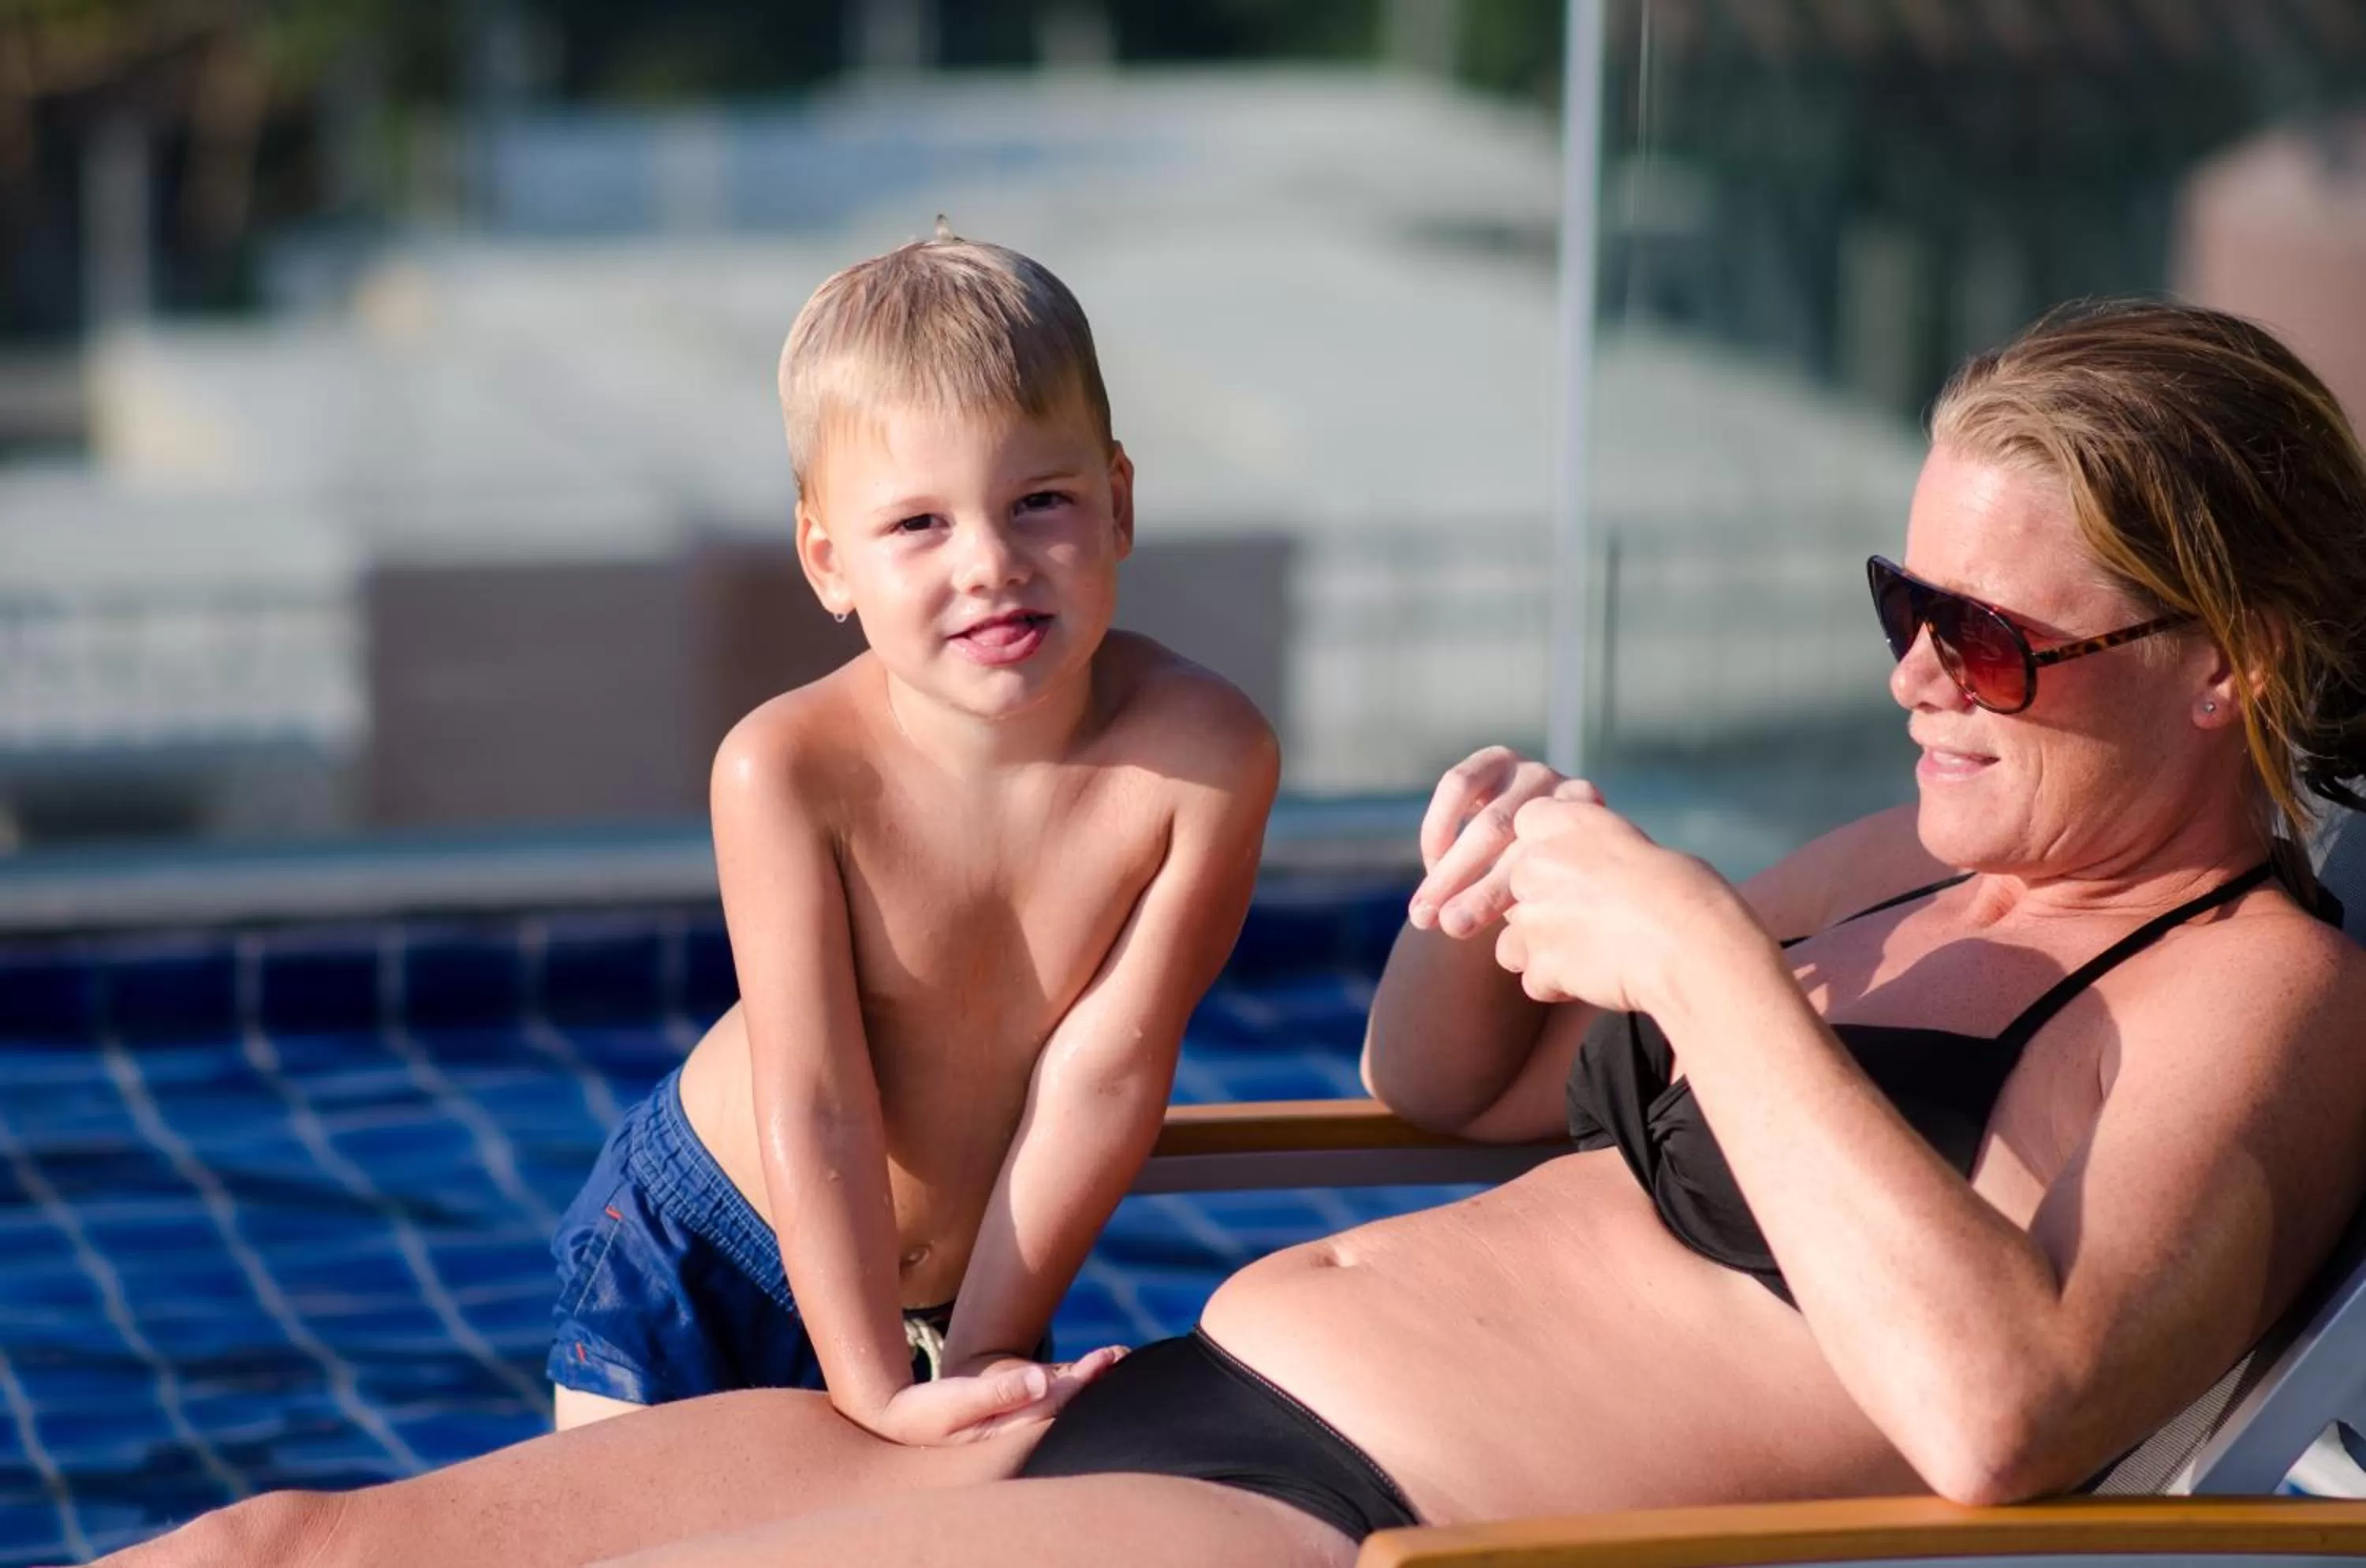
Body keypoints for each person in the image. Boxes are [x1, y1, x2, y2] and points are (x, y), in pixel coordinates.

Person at [111, 300, 2366, 1568]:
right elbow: (1453, 1093)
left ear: (2226, 667)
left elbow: (2000, 1412)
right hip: (1179, 1396)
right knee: (272, 1544)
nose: (1918, 678)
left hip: (1362, 1520)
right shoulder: (1903, 863)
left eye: (1994, 640)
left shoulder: (2265, 988)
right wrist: (1492, 902)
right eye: (1905, 605)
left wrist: (1691, 950)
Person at [541, 228, 1281, 1437]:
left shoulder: (1203, 760)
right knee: (634, 1526)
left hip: (973, 1289)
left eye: (1040, 502)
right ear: (828, 561)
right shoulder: (788, 772)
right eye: (919, 525)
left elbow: (1106, 1076)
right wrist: (876, 1391)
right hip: (703, 1241)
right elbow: (816, 1097)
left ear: (1119, 503)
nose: (990, 563)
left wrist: (978, 1349)